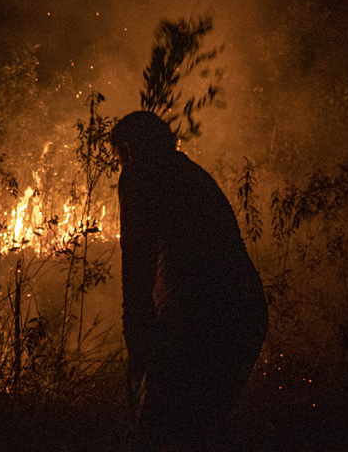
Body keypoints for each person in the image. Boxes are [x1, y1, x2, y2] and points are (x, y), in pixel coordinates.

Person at [111, 111, 268, 451]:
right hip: (245, 313)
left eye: (119, 156)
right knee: (203, 431)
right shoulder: (190, 173)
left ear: (129, 149)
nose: (120, 164)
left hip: (199, 318)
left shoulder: (139, 175)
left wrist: (136, 334)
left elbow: (137, 261)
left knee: (161, 434)